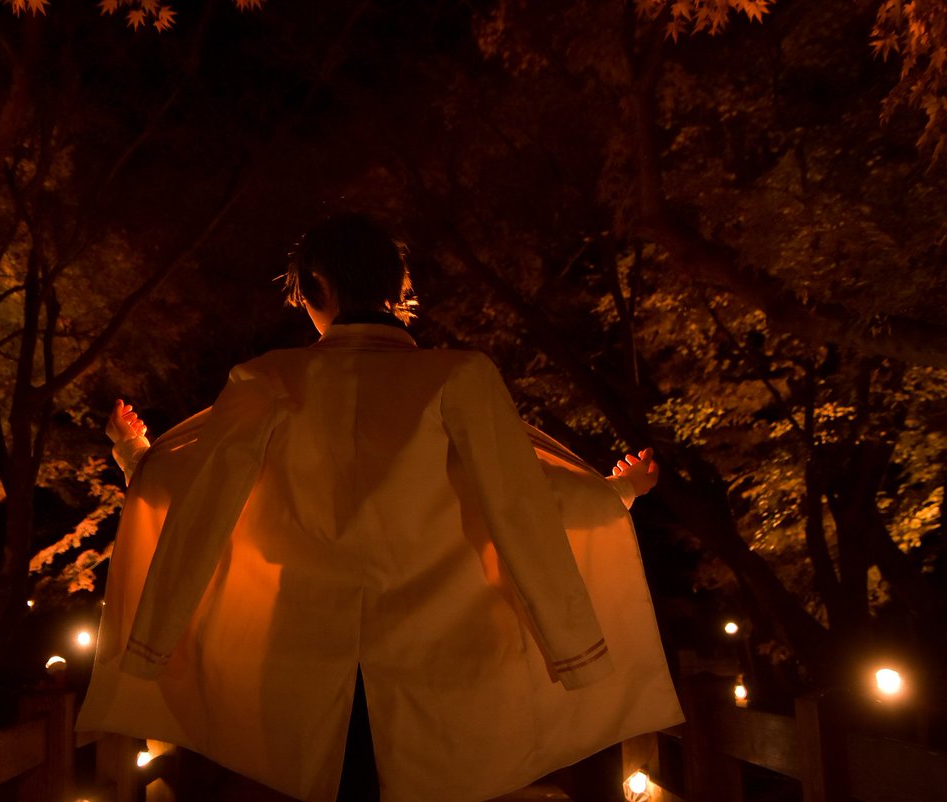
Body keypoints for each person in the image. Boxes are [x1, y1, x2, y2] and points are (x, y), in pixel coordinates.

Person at [78, 214, 682, 802]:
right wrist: (615, 495)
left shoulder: (270, 380)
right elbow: (524, 502)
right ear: (397, 287)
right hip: (444, 660)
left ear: (315, 286)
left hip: (296, 664)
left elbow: (202, 496)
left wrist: (138, 458)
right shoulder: (458, 376)